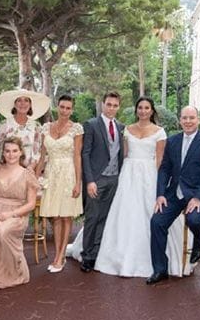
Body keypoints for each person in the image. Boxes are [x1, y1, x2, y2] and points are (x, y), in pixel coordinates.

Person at [94, 97, 185, 277]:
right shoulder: (127, 130)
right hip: (129, 175)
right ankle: (119, 256)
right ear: (136, 110)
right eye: (140, 108)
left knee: (149, 212)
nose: (143, 111)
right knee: (126, 213)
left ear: (152, 111)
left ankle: (155, 257)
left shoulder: (160, 132)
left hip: (150, 175)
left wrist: (160, 185)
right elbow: (125, 154)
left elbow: (160, 160)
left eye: (147, 108)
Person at [147, 106, 200, 285]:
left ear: (198, 119)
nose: (188, 121)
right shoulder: (172, 141)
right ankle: (160, 269)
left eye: (191, 118)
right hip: (174, 194)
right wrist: (161, 194)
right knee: (157, 222)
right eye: (184, 118)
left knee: (194, 219)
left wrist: (199, 198)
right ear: (180, 120)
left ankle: (198, 240)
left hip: (197, 195)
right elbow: (164, 169)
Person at [0, 137, 39, 289]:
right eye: (7, 151)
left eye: (14, 151)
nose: (11, 155)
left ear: (20, 153)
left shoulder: (27, 175)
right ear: (3, 153)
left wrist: (10, 214)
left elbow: (31, 204)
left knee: (3, 231)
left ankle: (13, 273)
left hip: (16, 212)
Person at [36, 95, 83, 273]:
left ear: (72, 110)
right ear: (57, 107)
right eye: (62, 107)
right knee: (55, 216)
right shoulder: (46, 128)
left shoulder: (76, 129)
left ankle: (60, 256)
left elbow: (77, 156)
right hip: (51, 175)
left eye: (68, 108)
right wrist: (36, 177)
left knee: (66, 216)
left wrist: (78, 182)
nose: (64, 111)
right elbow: (42, 156)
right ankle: (58, 254)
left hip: (68, 174)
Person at [79, 92, 125, 273]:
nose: (111, 108)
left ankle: (97, 253)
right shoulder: (91, 124)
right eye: (109, 104)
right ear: (103, 105)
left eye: (115, 105)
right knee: (92, 217)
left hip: (114, 178)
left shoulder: (122, 127)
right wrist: (90, 180)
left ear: (118, 107)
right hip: (96, 179)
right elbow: (85, 154)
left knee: (105, 218)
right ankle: (87, 255)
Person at [0, 89, 51, 171]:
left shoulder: (36, 126)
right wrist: (0, 171)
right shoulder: (4, 125)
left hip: (28, 171)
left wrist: (30, 168)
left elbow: (38, 152)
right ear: (14, 104)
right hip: (6, 172)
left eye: (26, 100)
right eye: (19, 100)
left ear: (30, 104)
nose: (23, 103)